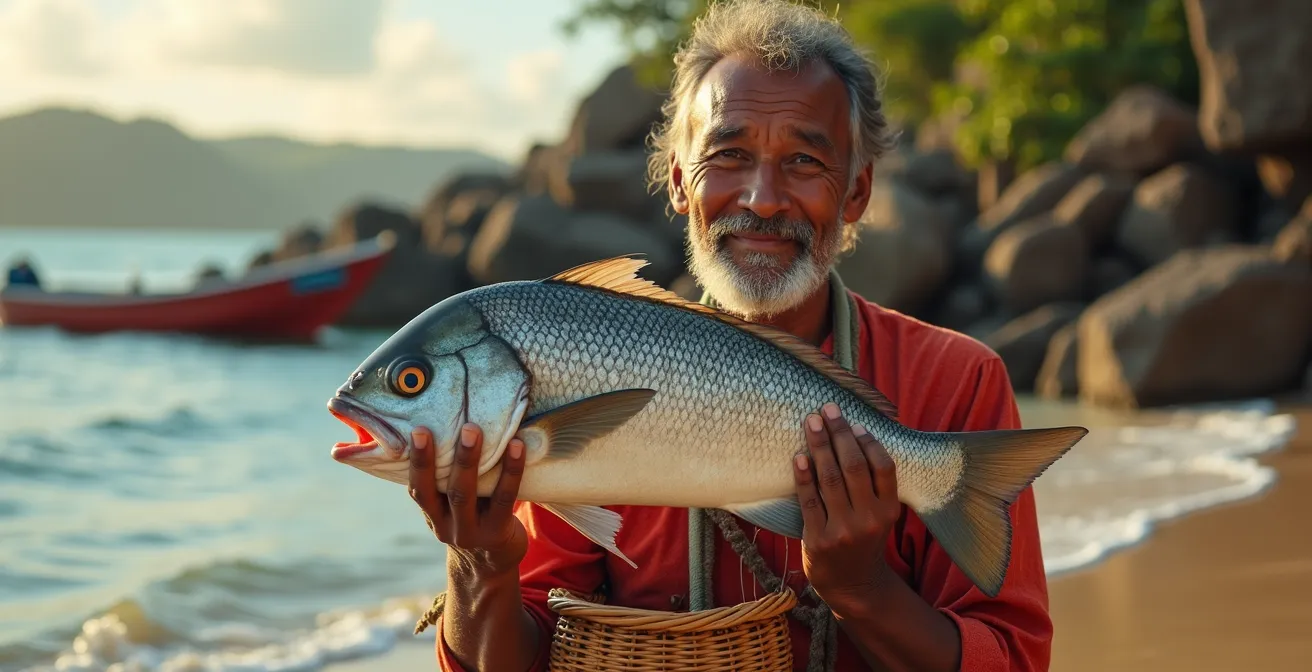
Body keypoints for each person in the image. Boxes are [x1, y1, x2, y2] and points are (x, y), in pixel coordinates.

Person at [408, 1, 1053, 670]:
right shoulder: (587, 368)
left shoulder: (954, 381)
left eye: (804, 160)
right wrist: (480, 562)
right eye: (729, 155)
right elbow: (522, 652)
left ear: (857, 192)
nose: (762, 198)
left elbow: (1014, 659)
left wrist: (863, 590)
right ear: (680, 182)